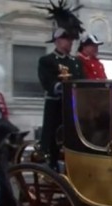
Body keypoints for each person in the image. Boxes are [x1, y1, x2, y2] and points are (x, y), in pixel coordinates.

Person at [37, 0, 85, 170]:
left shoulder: (76, 62)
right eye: (67, 39)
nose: (70, 43)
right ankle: (52, 163)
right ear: (57, 40)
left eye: (71, 40)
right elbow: (47, 82)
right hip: (56, 106)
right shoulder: (47, 60)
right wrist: (61, 88)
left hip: (74, 107)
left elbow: (82, 81)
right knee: (53, 138)